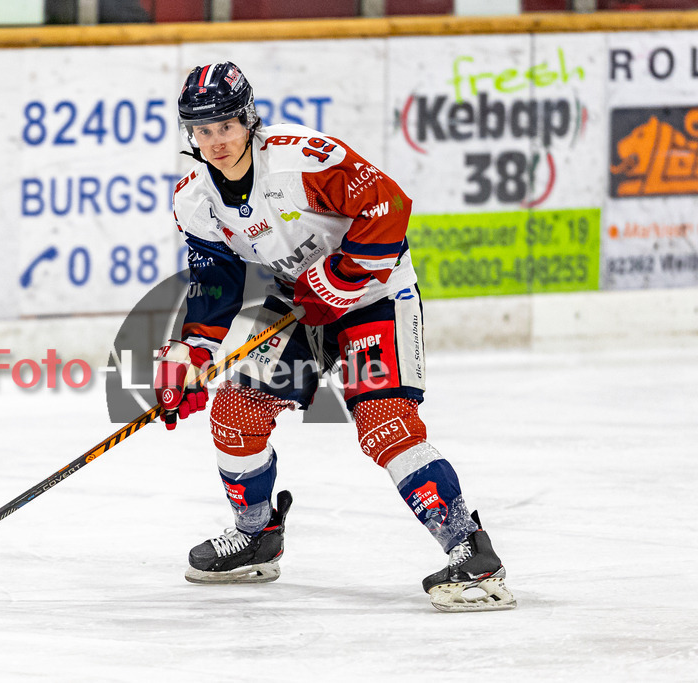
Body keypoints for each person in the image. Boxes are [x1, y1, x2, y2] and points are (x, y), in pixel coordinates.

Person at [153, 62, 516, 612]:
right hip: (298, 302)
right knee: (235, 410)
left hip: (374, 295)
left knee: (384, 424)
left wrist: (339, 282)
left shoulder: (306, 158)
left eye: (226, 126)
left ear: (248, 120)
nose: (216, 142)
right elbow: (215, 283)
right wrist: (189, 352)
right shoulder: (195, 199)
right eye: (203, 132)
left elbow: (387, 206)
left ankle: (472, 553)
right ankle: (255, 536)